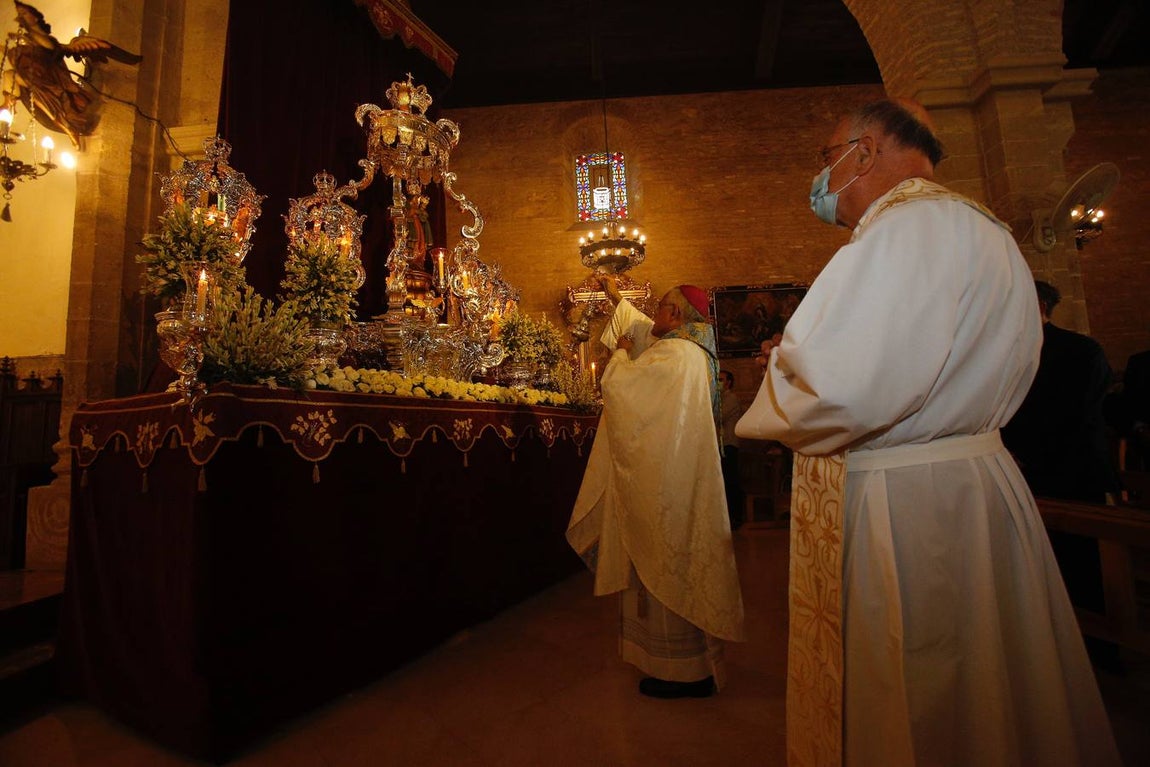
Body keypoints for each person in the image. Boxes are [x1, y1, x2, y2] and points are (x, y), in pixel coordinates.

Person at [736, 99, 1120, 766]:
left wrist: (783, 377)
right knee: (994, 678)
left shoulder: (898, 231)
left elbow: (841, 388)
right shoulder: (991, 233)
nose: (821, 178)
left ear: (864, 151)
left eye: (827, 157)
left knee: (921, 683)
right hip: (981, 481)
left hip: (905, 502)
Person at [567, 275, 745, 699]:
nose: (655, 315)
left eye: (662, 307)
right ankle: (690, 665)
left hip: (667, 485)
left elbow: (624, 389)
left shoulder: (676, 355)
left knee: (666, 563)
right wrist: (615, 299)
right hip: (680, 476)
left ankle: (682, 672)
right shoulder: (688, 352)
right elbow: (643, 327)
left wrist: (620, 358)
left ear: (677, 315)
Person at [1002, 280, 1119, 503]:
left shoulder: (1082, 350)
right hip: (1021, 466)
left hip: (1073, 467)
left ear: (1040, 306)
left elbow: (1080, 411)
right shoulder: (1009, 351)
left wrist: (1026, 454)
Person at [718, 369, 746, 529]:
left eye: (721, 380)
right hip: (721, 444)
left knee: (731, 482)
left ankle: (736, 517)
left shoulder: (731, 398)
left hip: (729, 444)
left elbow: (718, 417)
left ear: (729, 382)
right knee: (724, 482)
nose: (718, 382)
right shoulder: (719, 398)